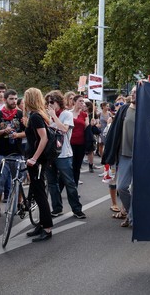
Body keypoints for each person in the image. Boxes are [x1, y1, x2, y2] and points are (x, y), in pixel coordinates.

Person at [44, 90, 86, 219]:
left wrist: (53, 117)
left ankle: (77, 209)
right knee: (52, 183)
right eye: (48, 102)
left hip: (64, 154)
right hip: (50, 154)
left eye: (52, 102)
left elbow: (64, 129)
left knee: (69, 182)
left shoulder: (66, 114)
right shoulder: (46, 115)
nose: (50, 105)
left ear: (58, 101)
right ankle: (57, 208)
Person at [0, 89, 26, 218]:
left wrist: (17, 134)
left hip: (18, 153)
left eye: (15, 99)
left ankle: (19, 204)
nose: (14, 101)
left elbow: (28, 132)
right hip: (1, 154)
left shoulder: (21, 115)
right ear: (5, 99)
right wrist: (3, 132)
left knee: (19, 181)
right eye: (11, 99)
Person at [102, 87, 136, 228]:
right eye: (132, 91)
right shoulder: (125, 109)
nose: (133, 93)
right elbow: (115, 131)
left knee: (135, 189)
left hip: (142, 156)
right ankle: (129, 213)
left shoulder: (149, 110)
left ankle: (134, 219)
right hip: (124, 154)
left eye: (137, 91)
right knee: (122, 187)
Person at [23, 88, 53, 242]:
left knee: (40, 194)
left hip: (37, 161)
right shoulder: (36, 115)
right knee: (36, 192)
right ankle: (41, 225)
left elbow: (44, 138)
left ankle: (47, 228)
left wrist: (34, 158)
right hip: (36, 160)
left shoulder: (35, 116)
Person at [70, 94, 89, 186]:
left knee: (77, 167)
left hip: (81, 143)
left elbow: (86, 128)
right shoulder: (68, 113)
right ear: (74, 102)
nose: (82, 103)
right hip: (69, 143)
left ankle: (75, 187)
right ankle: (65, 185)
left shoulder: (84, 114)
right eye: (80, 101)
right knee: (69, 166)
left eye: (83, 101)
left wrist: (90, 124)